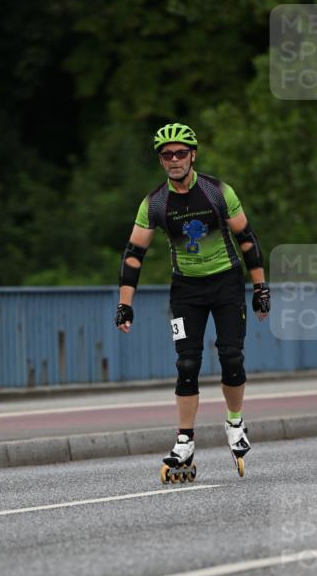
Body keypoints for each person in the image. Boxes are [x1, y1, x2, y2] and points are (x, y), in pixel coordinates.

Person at [114, 122, 270, 482]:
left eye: (180, 153)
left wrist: (260, 288)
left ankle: (235, 423)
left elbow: (246, 238)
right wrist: (125, 304)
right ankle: (185, 440)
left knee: (231, 357)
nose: (174, 159)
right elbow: (134, 254)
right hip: (186, 290)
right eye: (166, 155)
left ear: (193, 155)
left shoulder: (217, 192)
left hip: (227, 284)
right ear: (161, 161)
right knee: (187, 363)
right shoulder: (154, 203)